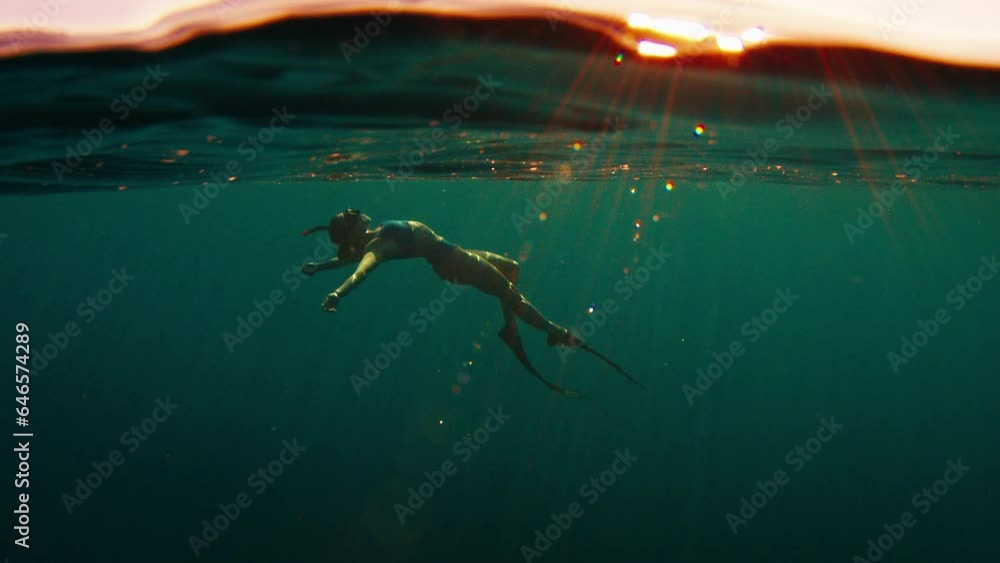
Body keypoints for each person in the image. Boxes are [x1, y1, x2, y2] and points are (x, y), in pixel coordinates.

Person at [300, 209, 641, 398]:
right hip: (454, 264)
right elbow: (360, 272)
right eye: (349, 216)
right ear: (350, 230)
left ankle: (511, 331)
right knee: (509, 292)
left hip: (455, 253)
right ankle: (555, 332)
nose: (354, 211)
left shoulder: (373, 236)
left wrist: (319, 267)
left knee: (511, 268)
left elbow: (346, 260)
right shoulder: (377, 249)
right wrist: (336, 294)